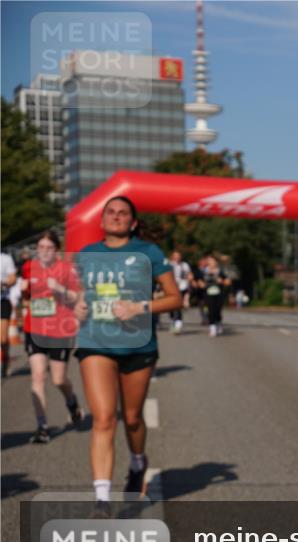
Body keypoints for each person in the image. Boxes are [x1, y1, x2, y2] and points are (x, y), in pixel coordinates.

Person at [74, 196, 181, 514]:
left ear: (133, 222)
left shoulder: (149, 253)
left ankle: (137, 462)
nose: (116, 217)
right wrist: (77, 306)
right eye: (111, 212)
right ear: (101, 220)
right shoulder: (87, 254)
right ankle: (102, 500)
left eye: (123, 213)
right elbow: (78, 295)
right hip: (96, 341)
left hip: (137, 345)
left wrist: (139, 307)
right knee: (104, 418)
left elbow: (175, 298)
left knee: (132, 419)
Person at [21, 231, 84, 443]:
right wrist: (23, 290)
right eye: (41, 247)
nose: (44, 251)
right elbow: (26, 295)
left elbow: (78, 296)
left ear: (56, 250)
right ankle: (42, 427)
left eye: (49, 247)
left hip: (60, 330)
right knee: (38, 376)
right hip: (34, 328)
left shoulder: (66, 269)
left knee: (58, 379)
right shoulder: (29, 267)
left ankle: (72, 402)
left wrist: (60, 289)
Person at [199, 254, 230, 337]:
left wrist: (222, 281)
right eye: (209, 261)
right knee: (210, 310)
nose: (211, 262)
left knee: (217, 311)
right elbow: (199, 281)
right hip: (208, 294)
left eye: (212, 261)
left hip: (219, 294)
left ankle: (218, 323)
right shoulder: (204, 271)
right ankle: (212, 328)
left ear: (216, 262)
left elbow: (228, 282)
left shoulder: (220, 271)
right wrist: (201, 284)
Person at [1, 250, 17, 377]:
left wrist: (4, 283)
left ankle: (5, 360)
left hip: (3, 301)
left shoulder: (5, 258)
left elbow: (13, 278)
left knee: (2, 338)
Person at [168, 251, 192, 334]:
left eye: (178, 256)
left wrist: (190, 279)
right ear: (172, 257)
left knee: (178, 305)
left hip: (182, 287)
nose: (177, 258)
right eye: (175, 256)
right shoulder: (169, 264)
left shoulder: (185, 265)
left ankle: (178, 324)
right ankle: (173, 320)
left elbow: (189, 275)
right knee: (171, 307)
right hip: (171, 287)